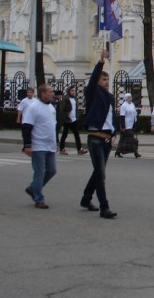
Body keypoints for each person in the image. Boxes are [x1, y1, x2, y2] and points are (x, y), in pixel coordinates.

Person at [80, 49, 119, 219]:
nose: (106, 81)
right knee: (100, 173)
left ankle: (86, 198)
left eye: (107, 79)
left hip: (107, 139)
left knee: (98, 172)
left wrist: (114, 133)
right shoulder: (92, 93)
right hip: (95, 138)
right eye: (103, 79)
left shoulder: (110, 97)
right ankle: (105, 207)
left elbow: (112, 117)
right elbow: (94, 78)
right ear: (97, 81)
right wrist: (101, 61)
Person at [21, 84, 58, 209]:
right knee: (40, 172)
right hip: (38, 145)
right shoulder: (34, 107)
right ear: (42, 94)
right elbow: (26, 127)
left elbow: (53, 126)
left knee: (52, 170)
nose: (52, 93)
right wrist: (27, 145)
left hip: (50, 146)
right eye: (50, 92)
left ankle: (33, 188)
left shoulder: (51, 107)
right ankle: (39, 198)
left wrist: (56, 142)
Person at [58, 86, 86, 155]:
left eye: (74, 90)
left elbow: (75, 109)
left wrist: (76, 117)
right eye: (72, 90)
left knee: (77, 134)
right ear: (68, 91)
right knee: (64, 134)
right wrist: (65, 119)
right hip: (67, 120)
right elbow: (62, 110)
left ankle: (79, 149)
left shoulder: (75, 99)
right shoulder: (65, 99)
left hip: (74, 120)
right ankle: (61, 149)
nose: (73, 92)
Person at [115, 93, 141, 158]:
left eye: (131, 97)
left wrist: (135, 122)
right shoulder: (124, 106)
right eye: (129, 98)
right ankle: (136, 152)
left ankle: (117, 152)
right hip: (126, 125)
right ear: (126, 99)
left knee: (122, 139)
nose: (130, 99)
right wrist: (123, 126)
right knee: (132, 138)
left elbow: (134, 114)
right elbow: (122, 116)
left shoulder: (132, 105)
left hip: (131, 124)